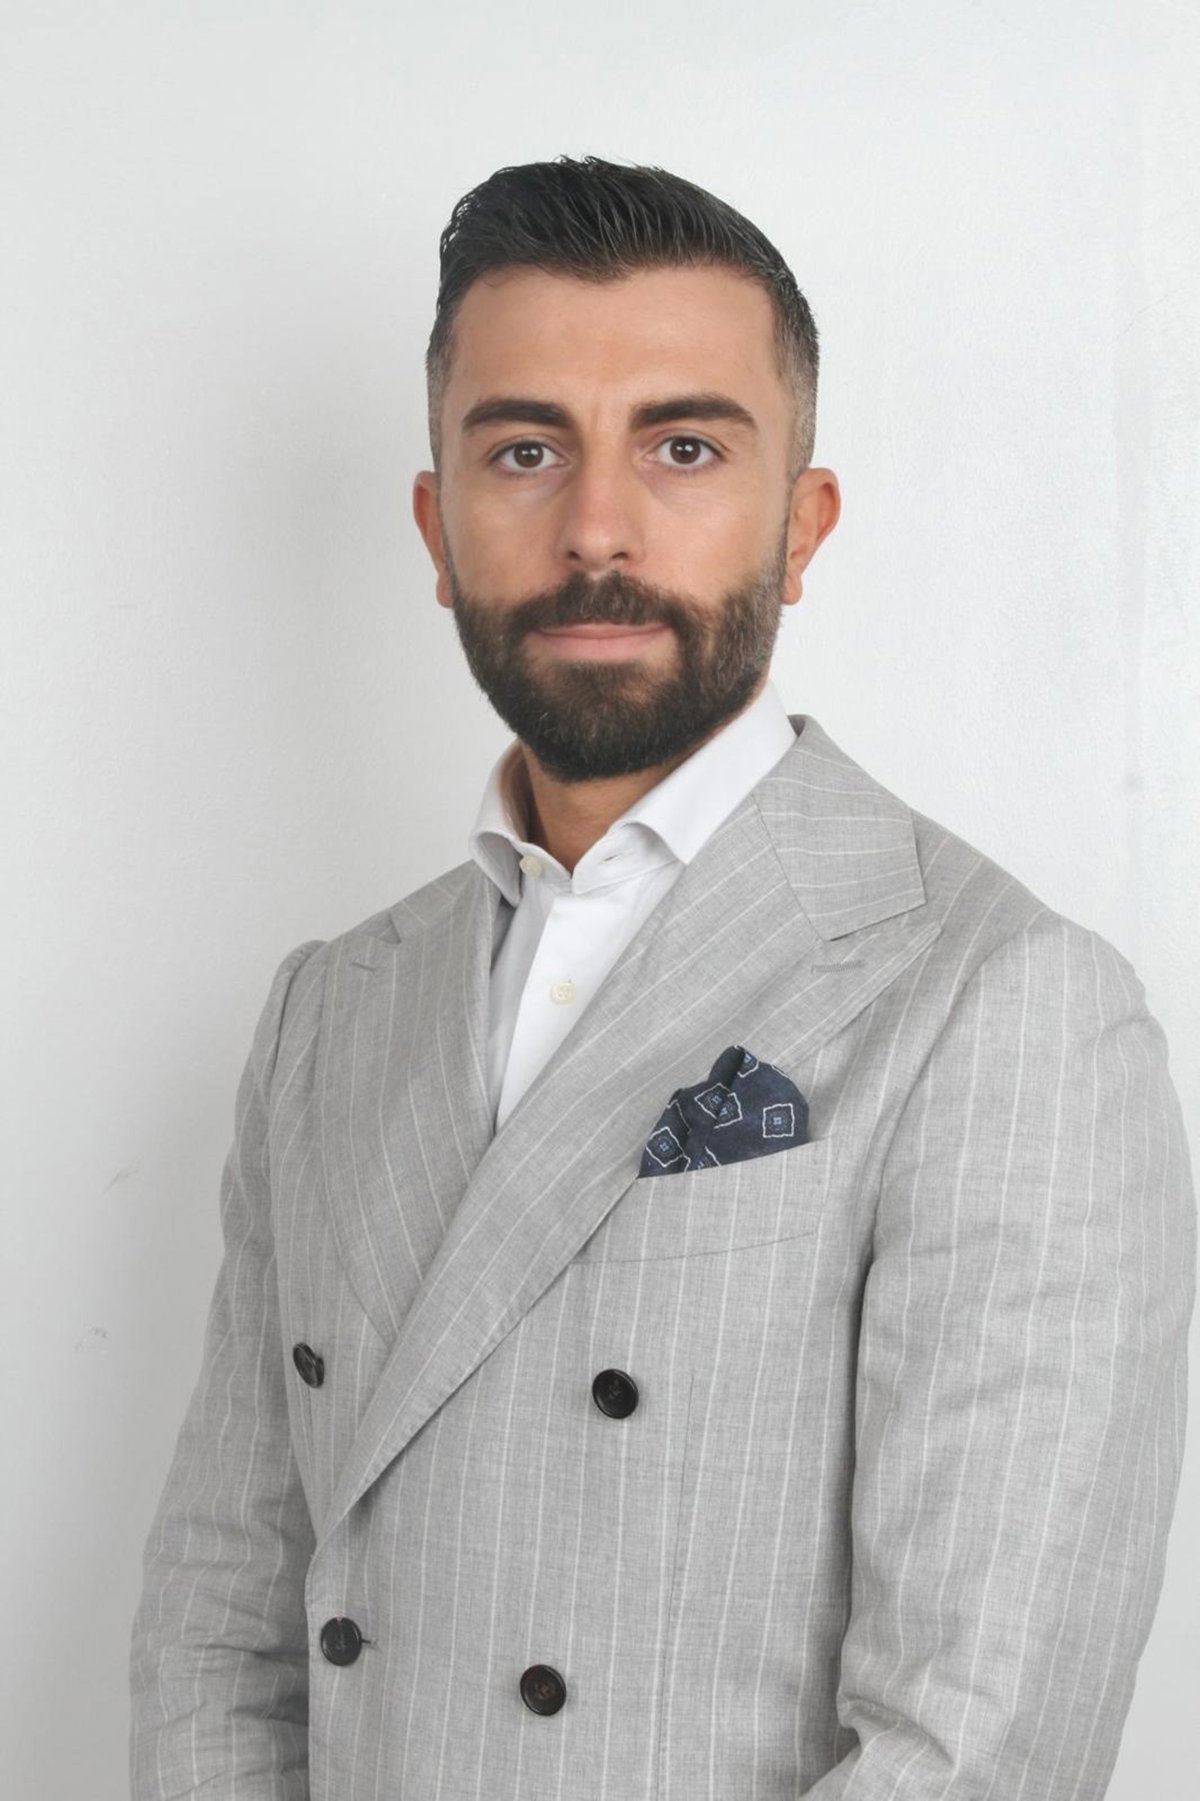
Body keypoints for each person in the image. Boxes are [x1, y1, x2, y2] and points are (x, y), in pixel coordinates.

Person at [130, 156, 1195, 1801]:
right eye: (525, 450)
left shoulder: (1004, 1002)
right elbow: (221, 1614)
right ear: (436, 525)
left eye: (683, 447)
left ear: (801, 526)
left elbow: (975, 1749)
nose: (597, 527)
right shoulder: (330, 1010)